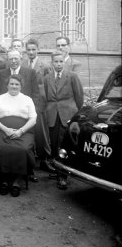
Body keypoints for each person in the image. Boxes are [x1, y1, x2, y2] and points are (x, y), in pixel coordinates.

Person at [0, 74, 37, 197]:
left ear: (21, 86)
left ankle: (17, 180)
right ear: (7, 85)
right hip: (2, 130)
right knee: (0, 148)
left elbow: (33, 119)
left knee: (22, 149)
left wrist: (20, 131)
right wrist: (5, 129)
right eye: (11, 83)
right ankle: (4, 179)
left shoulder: (27, 99)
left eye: (17, 84)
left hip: (23, 131)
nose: (14, 86)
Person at [0, 49, 40, 182]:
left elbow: (36, 94)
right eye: (11, 59)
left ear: (21, 58)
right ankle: (4, 176)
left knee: (23, 147)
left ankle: (25, 173)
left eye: (16, 58)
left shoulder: (30, 72)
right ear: (7, 60)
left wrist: (31, 114)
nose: (13, 61)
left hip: (25, 117)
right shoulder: (1, 74)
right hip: (5, 119)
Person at [43, 51, 84, 189]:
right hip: (53, 115)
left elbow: (79, 97)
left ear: (64, 62)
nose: (58, 64)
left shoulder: (72, 76)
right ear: (52, 63)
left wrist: (77, 116)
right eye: (56, 61)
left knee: (64, 145)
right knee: (54, 143)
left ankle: (63, 176)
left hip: (67, 114)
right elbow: (46, 97)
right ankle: (57, 169)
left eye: (61, 61)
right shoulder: (47, 78)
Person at [21, 39, 54, 173]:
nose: (31, 52)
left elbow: (48, 86)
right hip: (25, 103)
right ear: (26, 50)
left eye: (33, 49)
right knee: (27, 130)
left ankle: (44, 159)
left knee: (41, 133)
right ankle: (29, 160)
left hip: (39, 103)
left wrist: (45, 103)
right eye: (28, 50)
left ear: (38, 50)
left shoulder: (45, 66)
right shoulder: (23, 64)